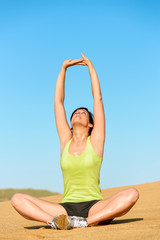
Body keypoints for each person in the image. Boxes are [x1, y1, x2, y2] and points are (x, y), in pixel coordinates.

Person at [11, 53, 139, 230]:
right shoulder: (66, 141)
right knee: (17, 199)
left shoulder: (95, 141)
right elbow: (58, 102)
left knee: (132, 194)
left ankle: (85, 222)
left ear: (91, 124)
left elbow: (98, 99)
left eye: (83, 112)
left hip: (94, 206)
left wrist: (91, 68)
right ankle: (56, 221)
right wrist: (63, 69)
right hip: (65, 207)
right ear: (70, 124)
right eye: (75, 113)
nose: (78, 113)